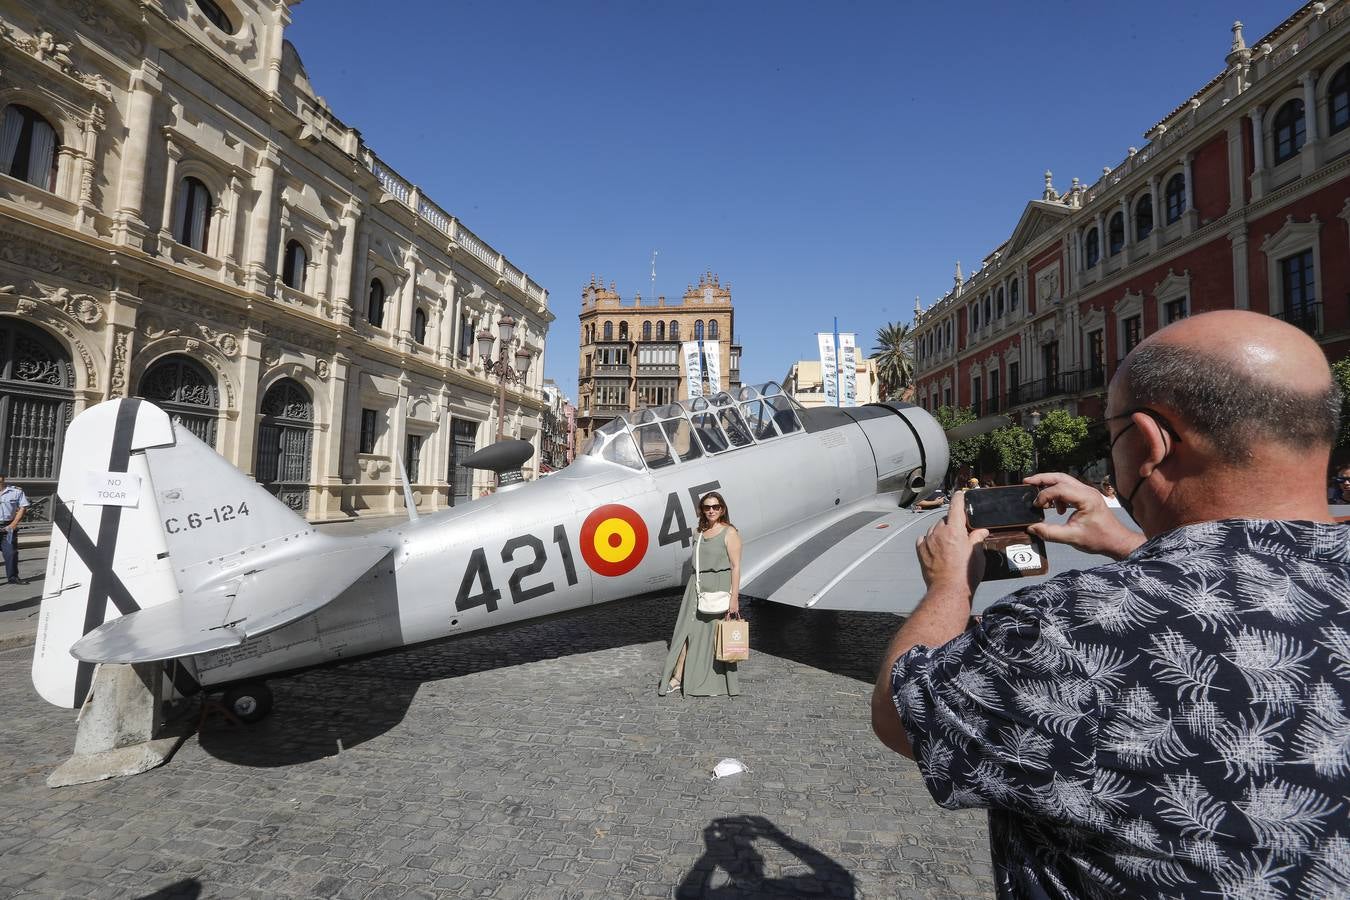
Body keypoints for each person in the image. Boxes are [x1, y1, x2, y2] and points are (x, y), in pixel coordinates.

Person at [871, 310, 1348, 898]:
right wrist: (1128, 543)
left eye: (1113, 433)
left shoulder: (1071, 630)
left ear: (1151, 441)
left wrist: (948, 585)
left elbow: (903, 712)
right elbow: (1246, 581)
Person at [658, 491, 742, 697]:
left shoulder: (730, 533)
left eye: (715, 507)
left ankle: (714, 683)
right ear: (701, 510)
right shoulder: (698, 533)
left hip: (718, 588)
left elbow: (736, 566)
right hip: (695, 588)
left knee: (715, 637)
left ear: (722, 509)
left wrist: (734, 598)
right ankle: (678, 676)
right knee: (685, 633)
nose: (711, 510)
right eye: (707, 507)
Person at [0, 473, 29, 584]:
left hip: (8, 527)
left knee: (11, 553)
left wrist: (13, 524)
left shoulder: (16, 492)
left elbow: (23, 507)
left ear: (3, 478)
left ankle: (13, 577)